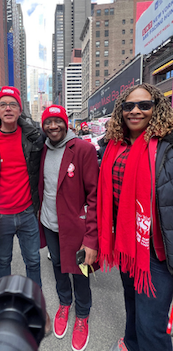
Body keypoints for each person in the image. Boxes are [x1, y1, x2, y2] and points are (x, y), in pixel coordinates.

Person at [95, 83, 173, 351]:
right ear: (121, 111)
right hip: (126, 244)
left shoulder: (167, 146)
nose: (135, 111)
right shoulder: (112, 147)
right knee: (132, 304)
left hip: (156, 249)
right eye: (129, 106)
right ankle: (131, 344)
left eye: (144, 105)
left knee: (152, 326)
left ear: (157, 108)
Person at [0, 86, 49, 330]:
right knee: (2, 260)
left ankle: (36, 306)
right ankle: (4, 307)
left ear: (20, 109)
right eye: (3, 104)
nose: (7, 108)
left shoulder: (34, 137)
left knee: (33, 262)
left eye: (12, 104)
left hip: (27, 212)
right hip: (0, 215)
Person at [37, 105, 98, 351]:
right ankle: (65, 303)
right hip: (50, 224)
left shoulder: (83, 149)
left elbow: (95, 196)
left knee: (80, 271)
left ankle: (82, 316)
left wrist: (91, 237)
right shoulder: (41, 150)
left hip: (75, 226)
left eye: (58, 121)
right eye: (48, 122)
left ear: (66, 123)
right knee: (58, 266)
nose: (53, 126)